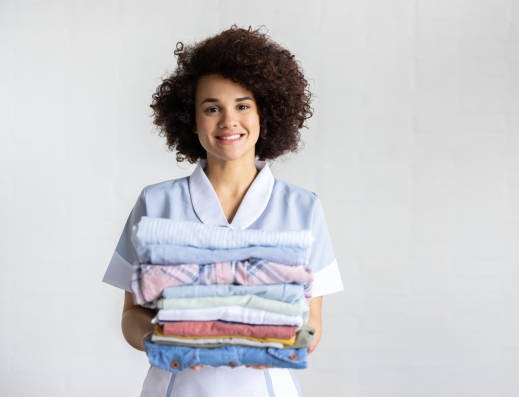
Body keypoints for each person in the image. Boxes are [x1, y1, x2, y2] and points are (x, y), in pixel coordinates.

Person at [102, 26, 343, 397]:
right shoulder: (156, 205)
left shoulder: (302, 208)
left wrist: (278, 343)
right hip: (177, 386)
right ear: (190, 118)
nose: (229, 120)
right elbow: (131, 315)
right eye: (212, 108)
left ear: (266, 113)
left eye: (243, 105)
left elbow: (312, 324)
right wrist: (162, 339)